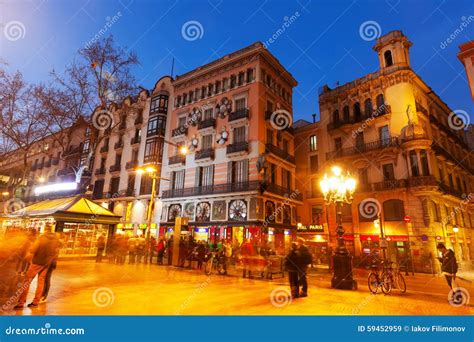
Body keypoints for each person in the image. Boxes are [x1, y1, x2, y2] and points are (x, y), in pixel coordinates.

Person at [14, 225, 61, 309]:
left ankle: (21, 303)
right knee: (41, 282)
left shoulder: (41, 238)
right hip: (46, 264)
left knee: (26, 281)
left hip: (37, 262)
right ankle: (35, 302)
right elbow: (55, 252)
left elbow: (33, 249)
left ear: (46, 230)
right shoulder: (55, 239)